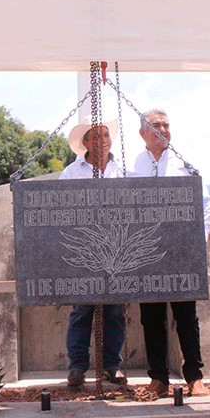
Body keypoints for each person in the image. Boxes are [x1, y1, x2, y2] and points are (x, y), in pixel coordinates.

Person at [133, 109, 210, 398]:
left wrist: (196, 241)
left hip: (181, 254)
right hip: (147, 256)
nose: (164, 130)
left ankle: (194, 377)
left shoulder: (183, 165)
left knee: (186, 316)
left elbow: (205, 205)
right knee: (151, 317)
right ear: (143, 133)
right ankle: (158, 380)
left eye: (167, 125)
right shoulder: (134, 166)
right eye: (157, 125)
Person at [60, 115, 128, 390]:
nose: (103, 141)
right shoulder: (71, 173)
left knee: (114, 310)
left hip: (115, 248)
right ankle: (77, 366)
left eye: (106, 135)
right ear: (85, 142)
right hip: (83, 249)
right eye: (97, 136)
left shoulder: (121, 171)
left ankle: (112, 365)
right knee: (81, 309)